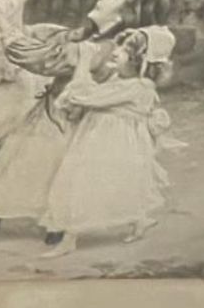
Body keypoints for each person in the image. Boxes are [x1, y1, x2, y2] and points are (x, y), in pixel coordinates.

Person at [0, 0, 172, 239]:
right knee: (18, 161)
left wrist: (4, 27)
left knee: (51, 169)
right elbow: (55, 38)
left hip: (74, 119)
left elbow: (43, 59)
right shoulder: (93, 37)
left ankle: (56, 223)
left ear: (127, 13)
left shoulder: (104, 47)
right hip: (53, 113)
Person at [40, 26, 175, 257]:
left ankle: (70, 238)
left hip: (112, 143)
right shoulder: (121, 80)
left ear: (140, 62)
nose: (115, 53)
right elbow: (97, 94)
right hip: (101, 137)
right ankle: (137, 222)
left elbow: (90, 97)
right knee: (114, 182)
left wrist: (82, 66)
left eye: (124, 52)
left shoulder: (140, 87)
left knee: (83, 182)